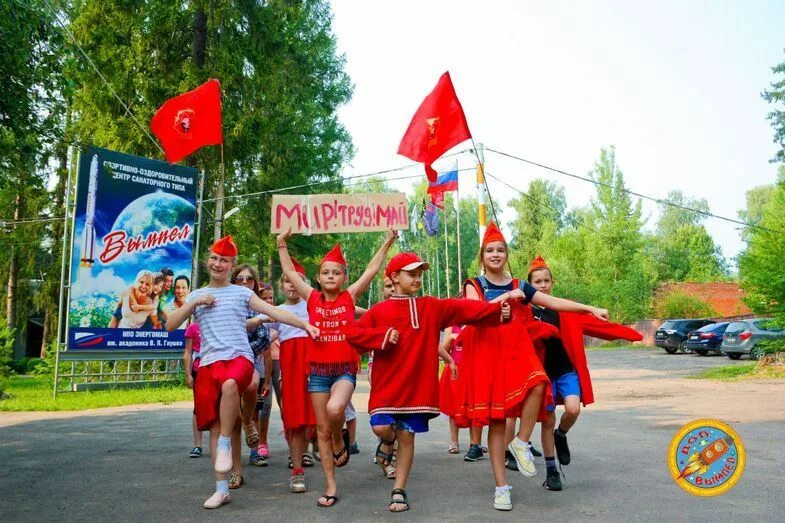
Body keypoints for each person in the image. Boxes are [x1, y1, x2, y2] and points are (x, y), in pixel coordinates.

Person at [457, 222, 609, 511]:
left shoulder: (519, 285)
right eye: (489, 250)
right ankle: (501, 487)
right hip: (488, 357)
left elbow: (552, 301)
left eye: (500, 249)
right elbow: (473, 313)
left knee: (540, 383)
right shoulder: (473, 284)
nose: (495, 254)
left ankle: (522, 442)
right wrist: (503, 300)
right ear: (482, 256)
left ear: (507, 254)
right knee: (499, 422)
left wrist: (589, 308)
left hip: (516, 353)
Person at [166, 235, 319, 510]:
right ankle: (221, 488)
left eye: (224, 260)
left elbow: (275, 311)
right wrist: (193, 304)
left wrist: (304, 325)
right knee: (213, 425)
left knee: (229, 386)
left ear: (231, 264)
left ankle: (227, 442)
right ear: (207, 262)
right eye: (214, 258)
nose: (217, 263)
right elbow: (170, 324)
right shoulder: (196, 295)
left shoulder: (242, 294)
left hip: (238, 358)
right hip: (209, 363)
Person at [353, 252, 509, 513]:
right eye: (411, 274)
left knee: (407, 435)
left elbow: (464, 309)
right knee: (382, 429)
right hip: (387, 385)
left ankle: (399, 489)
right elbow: (354, 334)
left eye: (419, 274)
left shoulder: (431, 306)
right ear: (394, 277)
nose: (417, 278)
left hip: (417, 387)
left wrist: (495, 308)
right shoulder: (378, 311)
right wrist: (381, 336)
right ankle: (386, 443)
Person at [277, 228, 396, 508]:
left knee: (334, 410)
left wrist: (388, 242)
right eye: (326, 272)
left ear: (344, 278)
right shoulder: (312, 298)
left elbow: (370, 270)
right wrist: (282, 244)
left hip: (343, 368)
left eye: (336, 273)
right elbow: (291, 274)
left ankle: (340, 443)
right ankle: (331, 486)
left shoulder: (349, 297)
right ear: (318, 278)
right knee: (321, 430)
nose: (331, 276)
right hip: (316, 371)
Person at [527, 255, 642, 491]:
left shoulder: (566, 309)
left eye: (546, 280)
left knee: (573, 409)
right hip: (542, 375)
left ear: (552, 283)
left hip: (567, 371)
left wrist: (629, 333)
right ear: (530, 285)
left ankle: (562, 434)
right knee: (547, 420)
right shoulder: (526, 312)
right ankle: (551, 471)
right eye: (537, 282)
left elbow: (598, 326)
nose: (542, 285)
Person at [229, 264, 274, 479]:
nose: (245, 282)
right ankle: (234, 469)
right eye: (240, 279)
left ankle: (249, 423)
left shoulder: (257, 306)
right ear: (233, 281)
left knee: (253, 385)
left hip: (249, 360)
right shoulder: (225, 303)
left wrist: (244, 350)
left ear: (255, 283)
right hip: (224, 361)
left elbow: (264, 338)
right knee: (230, 417)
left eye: (249, 279)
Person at [256, 282, 282, 462]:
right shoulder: (256, 317)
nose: (269, 301)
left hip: (280, 361)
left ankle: (292, 436)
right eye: (264, 298)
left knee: (285, 401)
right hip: (263, 363)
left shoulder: (279, 314)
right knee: (264, 405)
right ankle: (261, 442)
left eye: (271, 297)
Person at [438, 326, 463, 454]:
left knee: (474, 406)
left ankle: (476, 444)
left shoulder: (475, 323)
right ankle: (454, 441)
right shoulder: (451, 327)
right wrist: (451, 338)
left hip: (473, 368)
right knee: (453, 406)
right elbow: (443, 350)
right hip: (455, 368)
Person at [184, 322, 204, 457]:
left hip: (217, 368)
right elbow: (188, 352)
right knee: (198, 408)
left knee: (222, 406)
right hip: (199, 370)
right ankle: (198, 445)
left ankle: (222, 443)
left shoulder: (218, 321)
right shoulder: (193, 327)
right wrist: (188, 374)